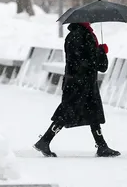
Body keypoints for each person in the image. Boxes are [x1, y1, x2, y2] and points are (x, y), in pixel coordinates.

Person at [34, 22, 120, 158]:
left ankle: (102, 146)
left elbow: (83, 60)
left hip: (78, 81)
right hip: (81, 83)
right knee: (68, 112)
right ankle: (45, 140)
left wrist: (98, 51)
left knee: (91, 113)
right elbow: (93, 63)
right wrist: (101, 52)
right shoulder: (83, 35)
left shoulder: (74, 35)